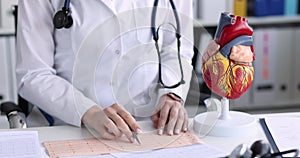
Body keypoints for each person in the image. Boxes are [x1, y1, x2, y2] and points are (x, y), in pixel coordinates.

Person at [16, 0, 194, 143]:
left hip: (150, 128)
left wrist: (172, 94)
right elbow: (33, 74)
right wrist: (87, 112)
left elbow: (179, 49)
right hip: (72, 129)